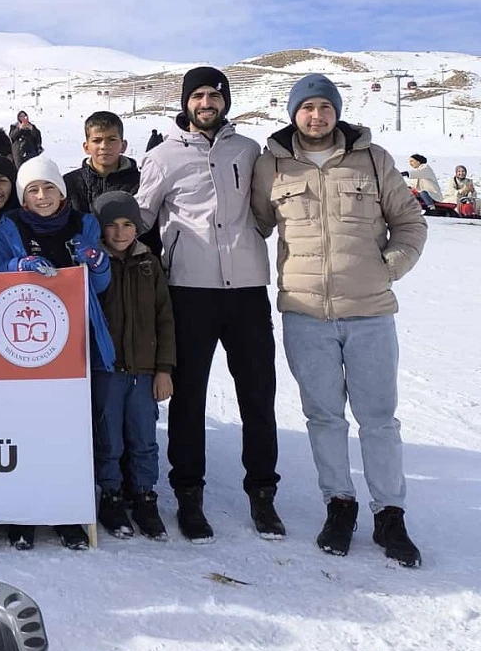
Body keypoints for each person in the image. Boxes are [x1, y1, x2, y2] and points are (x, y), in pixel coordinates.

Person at [252, 74, 426, 567]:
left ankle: (389, 513)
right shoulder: (272, 166)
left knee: (378, 419)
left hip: (369, 311)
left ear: (336, 112)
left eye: (324, 108)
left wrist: (389, 266)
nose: (316, 116)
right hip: (305, 313)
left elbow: (410, 222)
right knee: (324, 416)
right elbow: (254, 225)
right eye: (306, 108)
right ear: (293, 114)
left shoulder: (373, 159)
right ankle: (339, 504)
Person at [135, 66, 282, 543]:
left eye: (214, 95)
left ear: (225, 101)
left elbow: (268, 210)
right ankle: (189, 495)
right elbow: (139, 216)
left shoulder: (248, 150)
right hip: (189, 292)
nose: (206, 103)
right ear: (185, 102)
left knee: (258, 395)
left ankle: (262, 493)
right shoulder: (161, 157)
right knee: (189, 397)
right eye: (197, 95)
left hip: (246, 291)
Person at [0, 154, 115, 553]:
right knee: (26, 429)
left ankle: (67, 512)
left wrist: (98, 261)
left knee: (73, 431)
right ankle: (24, 513)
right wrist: (17, 264)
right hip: (27, 346)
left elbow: (102, 282)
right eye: (33, 190)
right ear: (23, 197)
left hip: (78, 339)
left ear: (61, 191)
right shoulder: (12, 226)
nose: (42, 196)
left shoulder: (83, 223)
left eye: (49, 188)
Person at [91, 191, 174, 541]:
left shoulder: (148, 263)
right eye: (111, 225)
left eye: (128, 225)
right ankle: (110, 494)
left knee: (143, 437)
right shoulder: (95, 266)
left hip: (143, 370)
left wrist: (164, 368)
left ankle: (143, 495)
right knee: (108, 437)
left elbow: (164, 318)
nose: (120, 233)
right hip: (108, 371)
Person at [64, 111, 160, 254]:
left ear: (123, 145)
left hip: (131, 268)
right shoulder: (69, 183)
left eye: (112, 139)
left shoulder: (142, 182)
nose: (104, 146)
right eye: (97, 140)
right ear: (86, 147)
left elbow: (151, 232)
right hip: (84, 267)